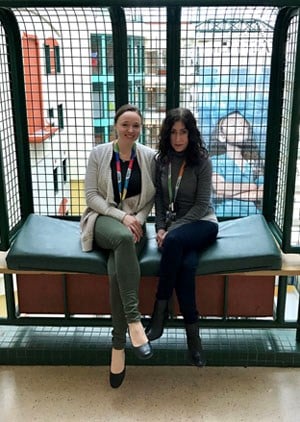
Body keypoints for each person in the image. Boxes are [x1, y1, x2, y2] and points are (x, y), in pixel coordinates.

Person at [80, 104, 156, 388]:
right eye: (125, 124)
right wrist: (121, 216)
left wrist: (138, 218)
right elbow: (91, 197)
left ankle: (118, 346)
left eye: (136, 125)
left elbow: (150, 198)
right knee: (123, 238)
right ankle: (135, 322)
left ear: (141, 128)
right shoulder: (99, 153)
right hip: (103, 220)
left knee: (116, 268)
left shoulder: (148, 156)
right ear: (116, 126)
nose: (130, 130)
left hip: (135, 223)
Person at [146, 107, 219, 367]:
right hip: (176, 230)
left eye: (184, 132)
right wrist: (160, 228)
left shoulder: (202, 160)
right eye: (174, 132)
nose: (178, 138)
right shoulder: (161, 161)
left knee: (175, 243)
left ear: (191, 134)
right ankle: (194, 340)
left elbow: (201, 205)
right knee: (186, 267)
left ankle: (159, 314)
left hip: (202, 224)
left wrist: (171, 231)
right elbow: (159, 199)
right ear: (167, 134)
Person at [209, 111, 264, 217]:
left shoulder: (256, 163)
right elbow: (220, 189)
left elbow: (261, 193)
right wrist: (252, 186)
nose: (240, 127)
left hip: (254, 218)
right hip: (224, 219)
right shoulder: (214, 161)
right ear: (221, 136)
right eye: (233, 124)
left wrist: (228, 192)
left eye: (243, 124)